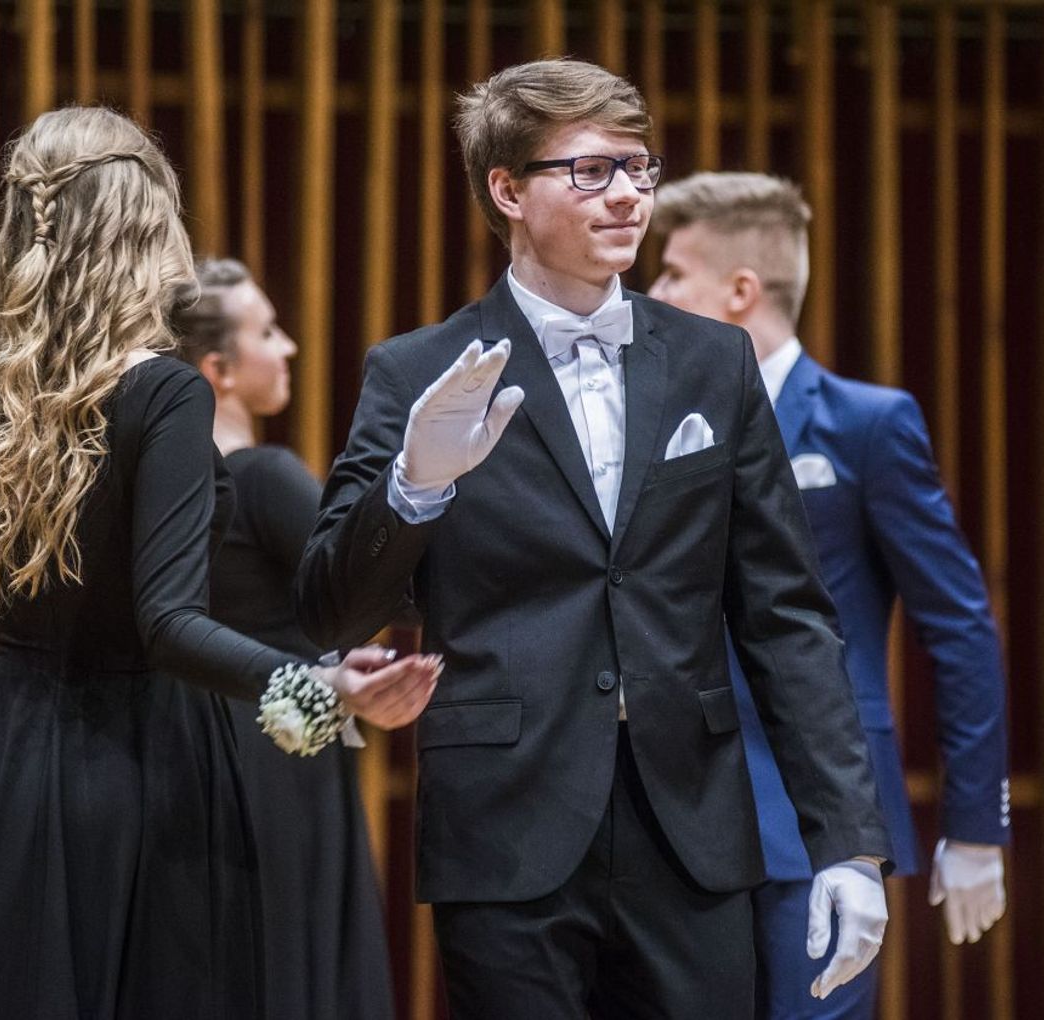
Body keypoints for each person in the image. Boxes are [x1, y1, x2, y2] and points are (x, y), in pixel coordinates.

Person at [0, 106, 439, 1019]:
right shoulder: (164, 391)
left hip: (3, 759)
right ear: (150, 224)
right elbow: (168, 623)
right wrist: (320, 690)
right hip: (140, 774)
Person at [295, 59, 892, 1019]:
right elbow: (329, 608)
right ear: (508, 190)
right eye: (591, 171)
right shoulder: (417, 372)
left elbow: (785, 615)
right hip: (506, 827)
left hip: (691, 826)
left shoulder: (714, 361)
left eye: (639, 167)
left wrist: (848, 843)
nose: (627, 195)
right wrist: (415, 485)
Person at [649, 171, 1010, 1019]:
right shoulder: (658, 427)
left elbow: (959, 627)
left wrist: (976, 827)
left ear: (740, 291)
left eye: (673, 274)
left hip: (822, 819)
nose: (653, 294)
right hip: (676, 814)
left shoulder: (866, 425)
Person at [173, 257, 394, 1020]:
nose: (289, 346)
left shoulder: (170, 492)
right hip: (282, 747)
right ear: (219, 370)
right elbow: (366, 588)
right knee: (294, 963)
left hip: (197, 751)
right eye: (267, 332)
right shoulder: (262, 476)